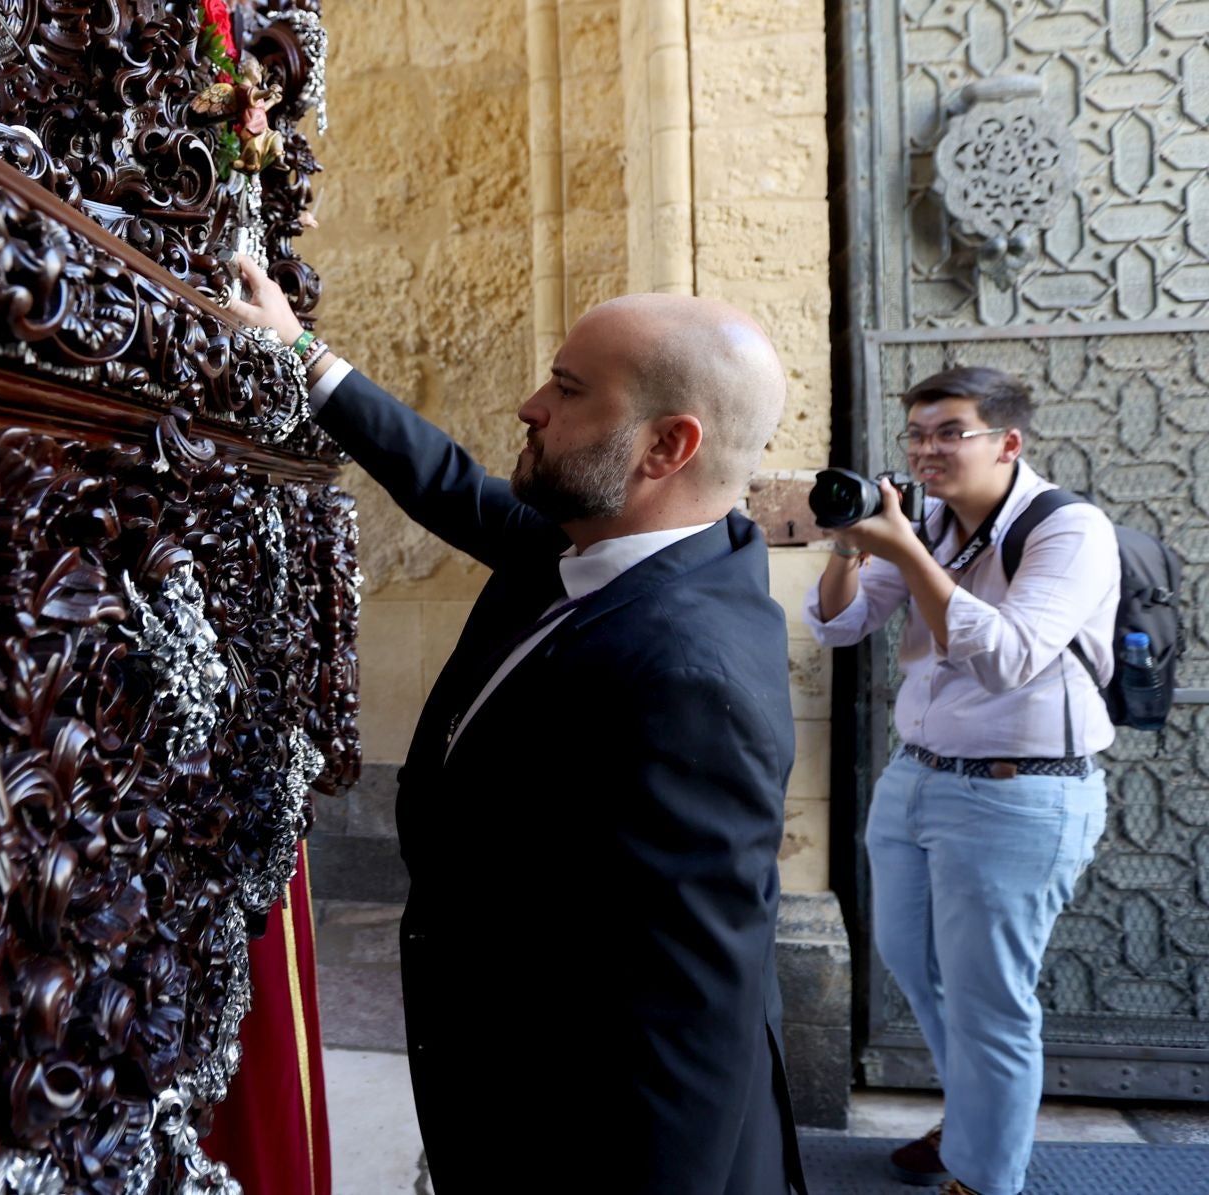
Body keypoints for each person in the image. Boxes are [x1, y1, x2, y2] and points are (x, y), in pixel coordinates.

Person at [231, 258, 805, 1193]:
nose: (531, 404)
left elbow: (693, 1009)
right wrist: (304, 355)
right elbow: (454, 487)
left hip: (584, 1143)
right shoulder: (623, 545)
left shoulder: (688, 674)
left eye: (569, 389)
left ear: (667, 446)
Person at [802, 367, 1118, 1195]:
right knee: (914, 962)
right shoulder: (928, 519)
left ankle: (984, 1176)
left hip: (1021, 790)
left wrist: (904, 548)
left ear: (1008, 442)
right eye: (915, 434)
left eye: (949, 432)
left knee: (990, 999)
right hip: (917, 779)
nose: (926, 450)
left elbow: (1008, 658)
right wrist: (848, 540)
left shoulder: (1067, 530)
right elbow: (839, 622)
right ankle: (975, 1115)